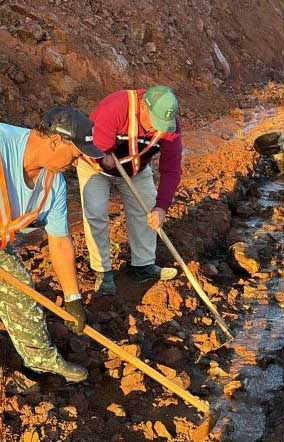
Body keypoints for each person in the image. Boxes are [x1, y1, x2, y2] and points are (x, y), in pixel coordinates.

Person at [0, 107, 104, 382]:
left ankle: (41, 361)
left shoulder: (53, 184)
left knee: (21, 292)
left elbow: (58, 241)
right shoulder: (2, 143)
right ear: (56, 141)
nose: (76, 163)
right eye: (75, 155)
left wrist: (73, 299)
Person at [77, 86, 183, 295]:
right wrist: (103, 159)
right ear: (143, 106)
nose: (156, 129)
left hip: (136, 170)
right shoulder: (115, 108)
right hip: (95, 168)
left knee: (148, 211)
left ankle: (143, 266)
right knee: (96, 212)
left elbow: (171, 169)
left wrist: (162, 207)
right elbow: (93, 145)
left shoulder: (171, 127)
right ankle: (103, 272)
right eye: (154, 122)